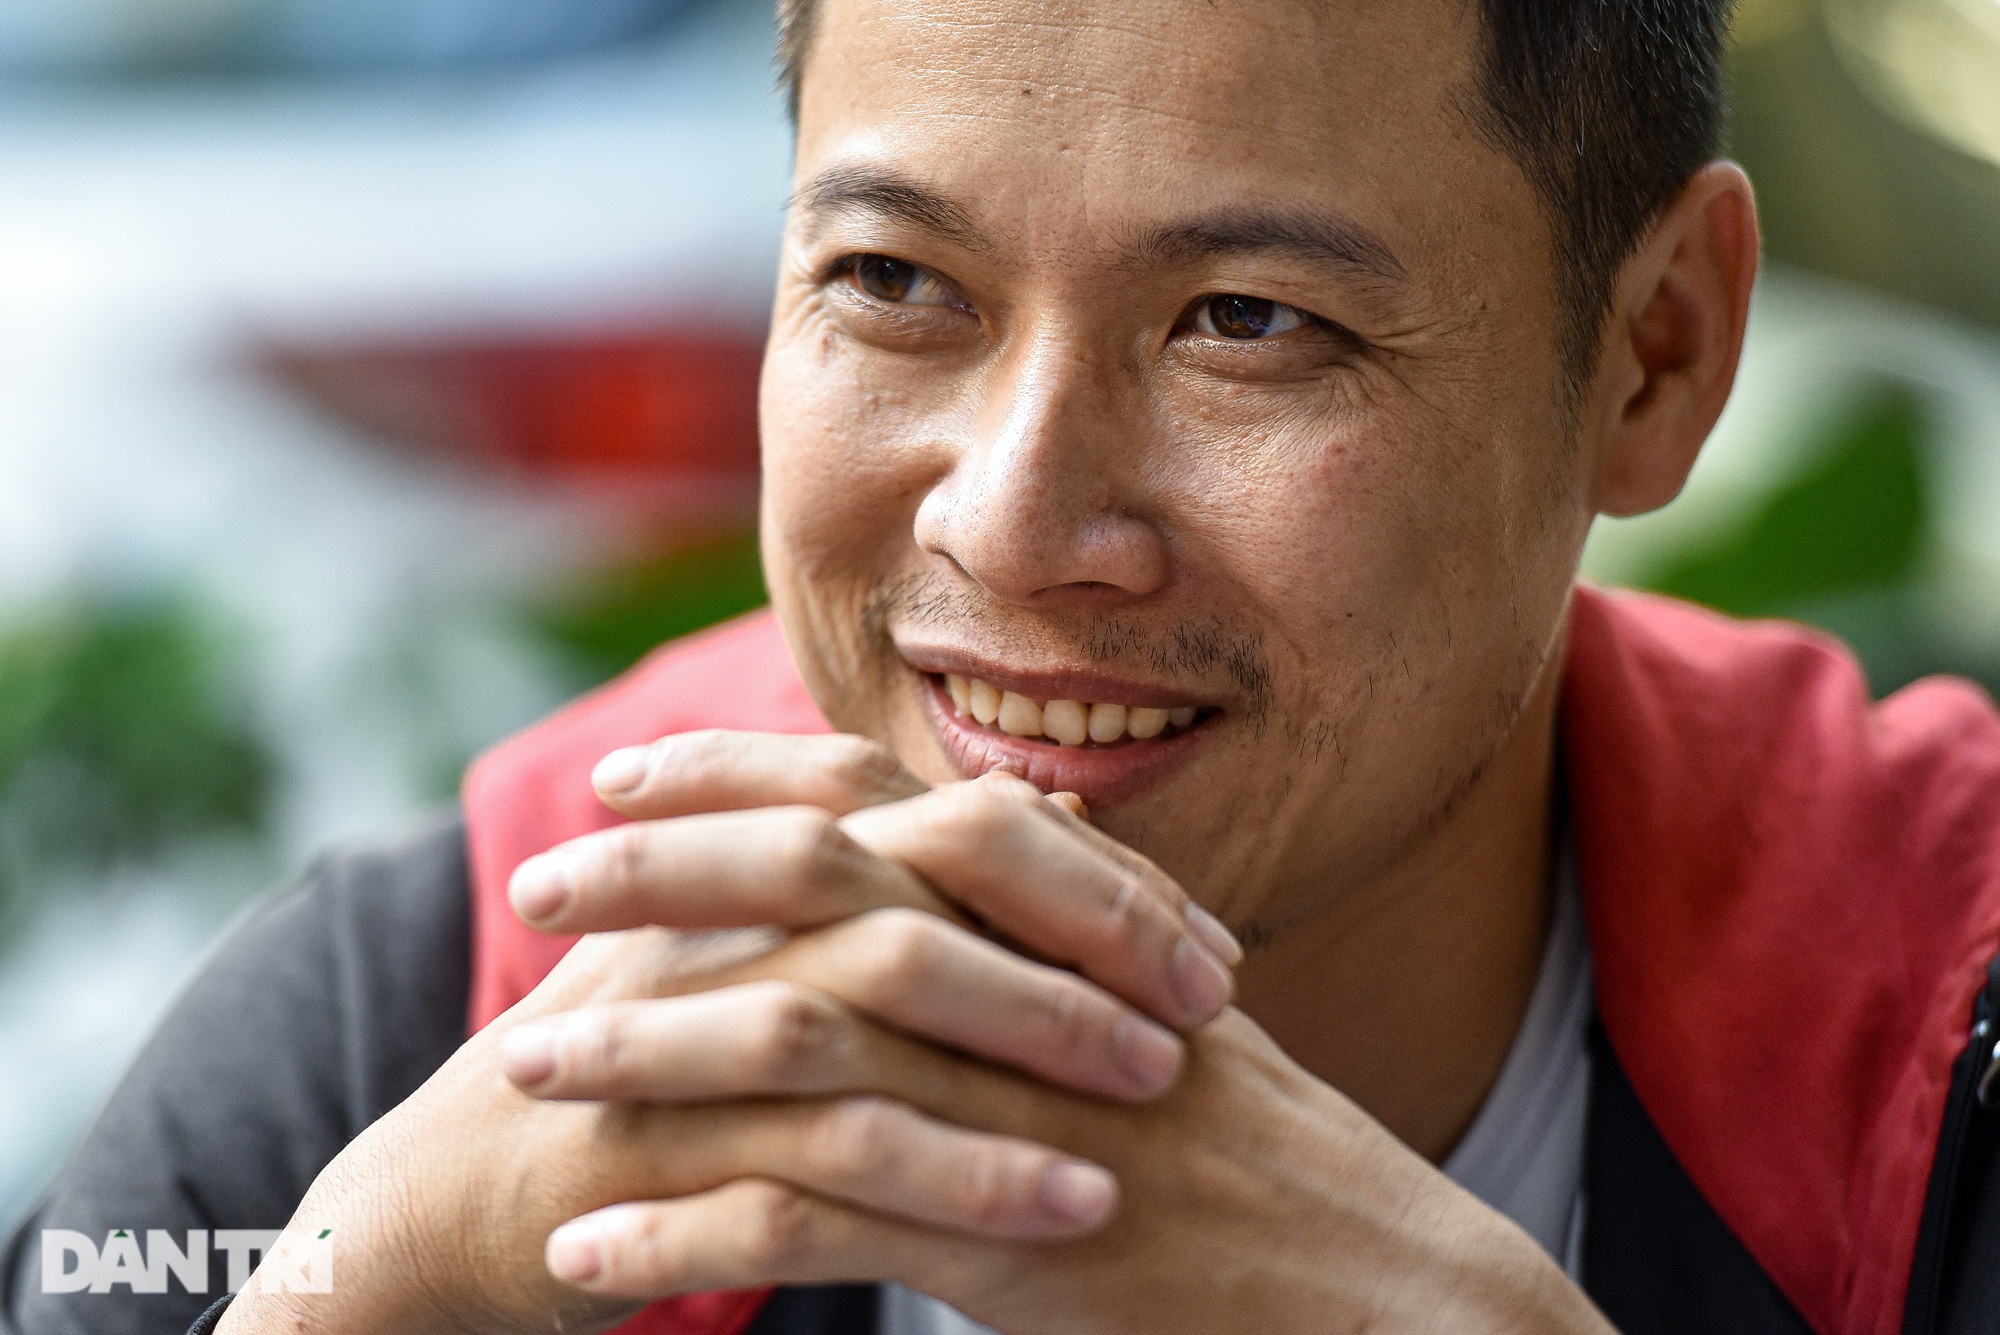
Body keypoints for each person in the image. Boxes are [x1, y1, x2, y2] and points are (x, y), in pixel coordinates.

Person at [9, 0, 2000, 1331]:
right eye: (893, 282)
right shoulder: (421, 1029)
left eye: (1247, 320)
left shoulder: (1939, 1022)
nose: (1013, 523)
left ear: (1651, 355)